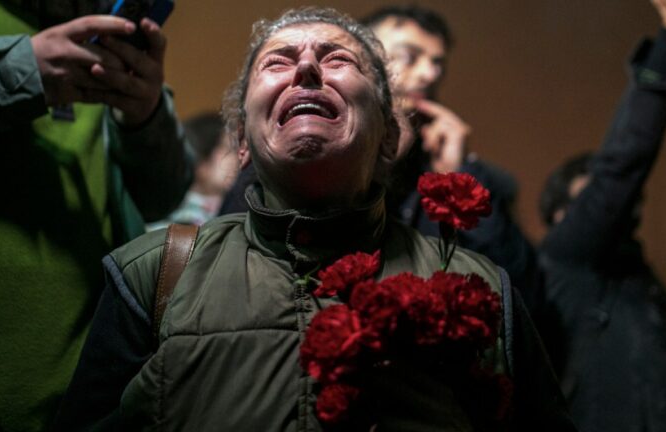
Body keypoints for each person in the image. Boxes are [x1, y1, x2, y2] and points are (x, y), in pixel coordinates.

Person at [56, 7, 575, 431]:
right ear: (242, 142)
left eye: (338, 59)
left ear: (390, 136)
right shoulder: (151, 276)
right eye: (277, 63)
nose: (306, 68)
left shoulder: (482, 289)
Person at [0, 0, 190, 430]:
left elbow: (163, 194)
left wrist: (145, 118)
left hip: (87, 406)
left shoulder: (102, 30)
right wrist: (17, 71)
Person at [220, 5, 536, 292]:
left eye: (437, 63)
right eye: (410, 57)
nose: (430, 75)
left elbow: (517, 292)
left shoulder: (462, 167)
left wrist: (457, 179)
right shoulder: (275, 159)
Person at [535, 0, 666, 430]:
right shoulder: (565, 261)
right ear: (560, 216)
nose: (616, 209)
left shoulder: (645, 287)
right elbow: (621, 168)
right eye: (592, 204)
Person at [146, 112, 238, 230]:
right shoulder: (167, 221)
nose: (238, 157)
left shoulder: (231, 208)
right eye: (229, 148)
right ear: (202, 161)